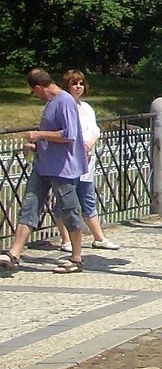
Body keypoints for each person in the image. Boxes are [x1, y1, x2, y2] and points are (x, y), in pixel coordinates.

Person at [0, 69, 88, 274]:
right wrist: (37, 146)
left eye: (34, 91)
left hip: (63, 168)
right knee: (30, 205)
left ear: (38, 87)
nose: (35, 95)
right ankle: (15, 253)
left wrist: (39, 135)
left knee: (69, 209)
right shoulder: (51, 103)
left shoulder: (64, 101)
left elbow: (69, 135)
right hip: (44, 165)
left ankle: (76, 258)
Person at [53, 70, 119, 252]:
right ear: (67, 86)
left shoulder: (87, 108)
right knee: (64, 202)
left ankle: (99, 238)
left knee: (88, 199)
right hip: (69, 163)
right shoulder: (62, 106)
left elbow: (95, 129)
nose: (78, 87)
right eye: (74, 84)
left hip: (87, 162)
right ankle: (65, 239)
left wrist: (89, 144)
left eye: (81, 84)